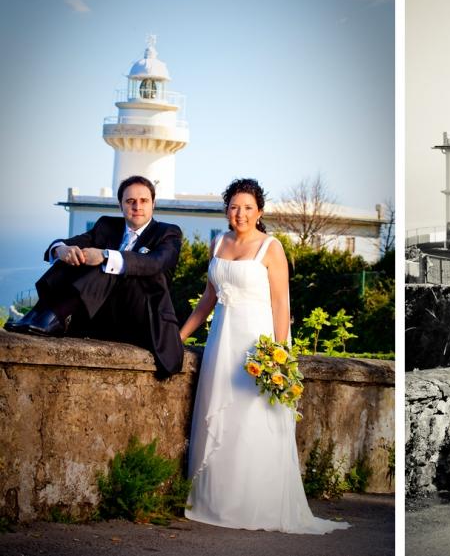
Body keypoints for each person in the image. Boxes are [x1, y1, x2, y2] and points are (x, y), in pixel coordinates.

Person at [179, 178, 349, 534]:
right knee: (220, 416)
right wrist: (179, 336)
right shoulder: (218, 243)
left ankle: (252, 503)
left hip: (257, 344)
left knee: (252, 421)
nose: (239, 213)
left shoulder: (270, 248)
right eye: (234, 206)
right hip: (220, 343)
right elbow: (208, 299)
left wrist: (279, 355)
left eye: (247, 207)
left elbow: (281, 302)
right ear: (227, 209)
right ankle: (216, 500)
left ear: (259, 212)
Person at [4, 175, 184, 377]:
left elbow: (155, 263)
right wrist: (61, 250)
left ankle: (55, 317)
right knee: (75, 253)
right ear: (121, 205)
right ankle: (42, 314)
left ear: (153, 204)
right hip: (104, 316)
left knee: (108, 262)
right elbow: (71, 243)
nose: (137, 206)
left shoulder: (168, 232)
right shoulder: (107, 226)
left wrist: (106, 255)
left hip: (143, 318)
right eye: (130, 201)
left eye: (143, 201)